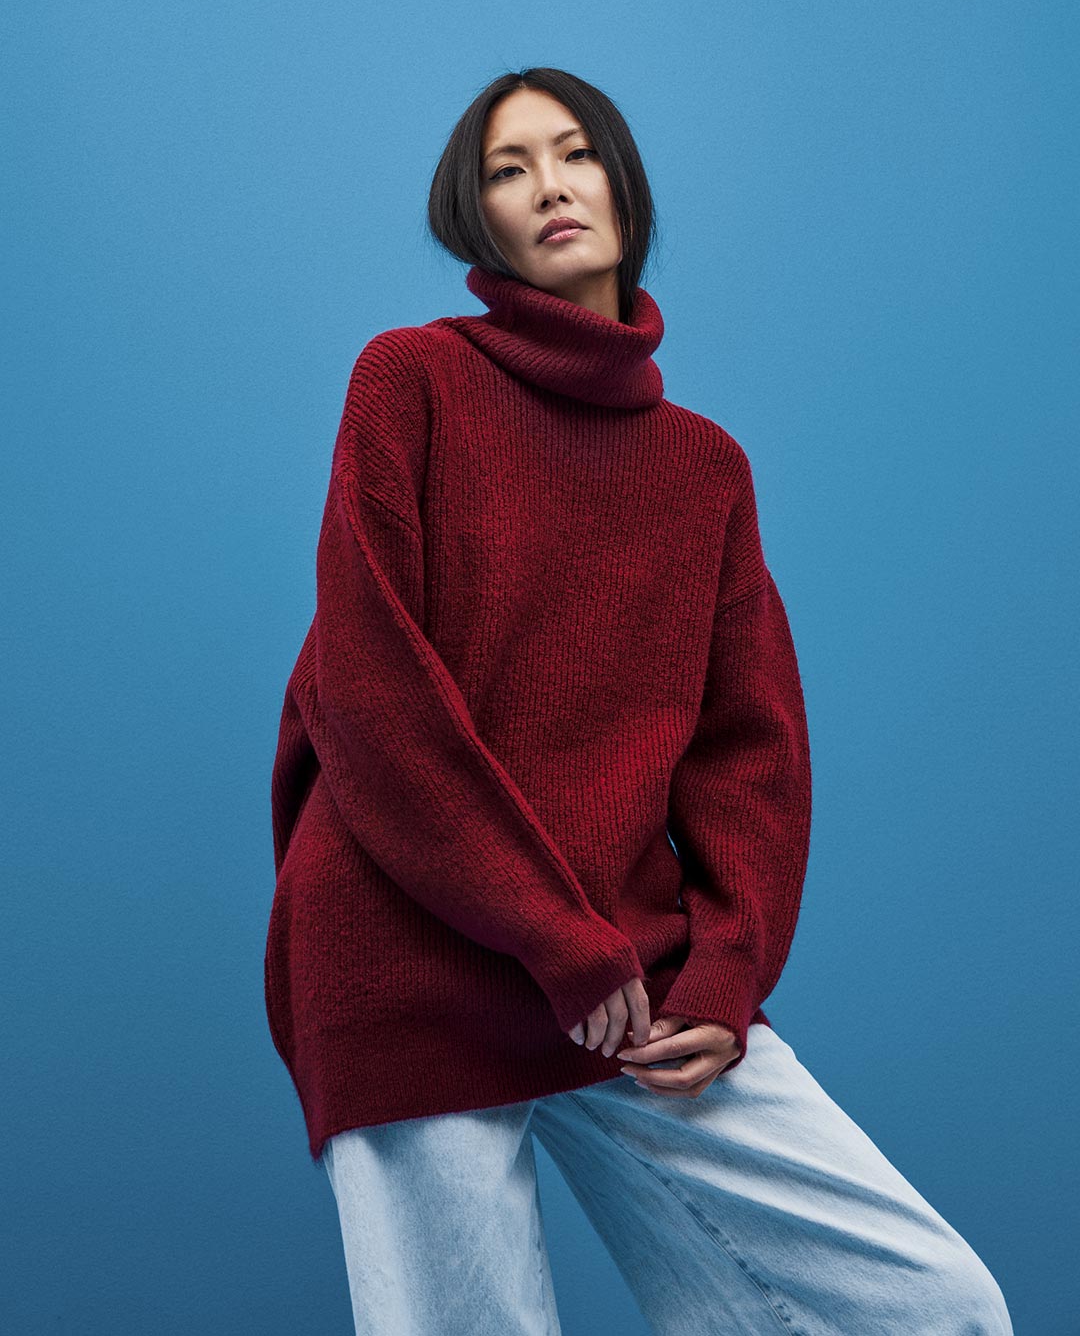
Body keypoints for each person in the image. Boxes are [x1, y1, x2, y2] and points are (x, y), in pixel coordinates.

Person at [264, 67, 1014, 1335]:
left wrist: (726, 970)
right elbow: (368, 688)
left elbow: (749, 751)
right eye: (509, 170)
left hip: (629, 969)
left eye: (574, 153)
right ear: (475, 215)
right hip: (410, 949)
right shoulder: (410, 380)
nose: (549, 186)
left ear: (622, 183)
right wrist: (549, 931)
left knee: (931, 1305)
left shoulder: (705, 468)